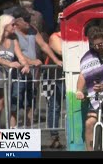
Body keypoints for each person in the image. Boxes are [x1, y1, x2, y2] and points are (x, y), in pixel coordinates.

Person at [10, 7, 61, 128]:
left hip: (33, 74)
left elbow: (44, 45)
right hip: (18, 73)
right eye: (25, 20)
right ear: (17, 21)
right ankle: (12, 130)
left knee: (30, 103)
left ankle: (29, 129)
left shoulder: (33, 29)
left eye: (29, 19)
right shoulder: (13, 33)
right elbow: (17, 54)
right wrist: (32, 61)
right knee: (15, 103)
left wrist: (56, 60)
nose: (29, 23)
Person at [0, 14, 30, 129]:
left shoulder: (14, 38)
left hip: (4, 78)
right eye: (12, 24)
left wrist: (25, 64)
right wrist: (9, 63)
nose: (15, 26)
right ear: (5, 25)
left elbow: (20, 56)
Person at [45, 12, 64, 149]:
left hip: (67, 76)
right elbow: (62, 51)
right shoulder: (54, 37)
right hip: (54, 76)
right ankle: (54, 136)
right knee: (55, 106)